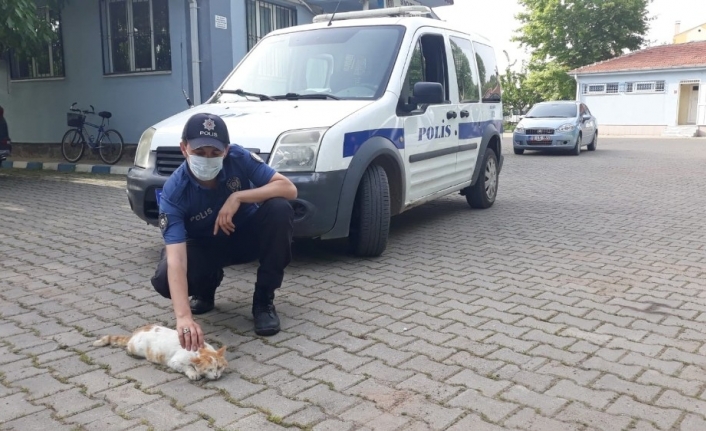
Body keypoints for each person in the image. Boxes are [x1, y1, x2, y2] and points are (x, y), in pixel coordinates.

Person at [151, 112, 297, 351]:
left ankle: (263, 301)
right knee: (164, 276)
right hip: (206, 247)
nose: (207, 159)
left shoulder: (239, 158)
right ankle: (206, 287)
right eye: (199, 152)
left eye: (214, 153)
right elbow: (177, 259)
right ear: (184, 148)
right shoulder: (174, 191)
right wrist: (183, 318)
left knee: (280, 208)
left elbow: (289, 189)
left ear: (226, 150)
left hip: (245, 236)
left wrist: (238, 196)